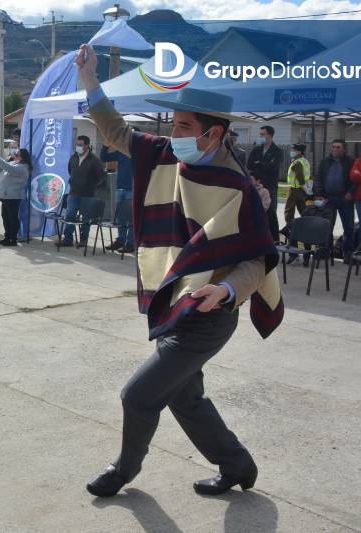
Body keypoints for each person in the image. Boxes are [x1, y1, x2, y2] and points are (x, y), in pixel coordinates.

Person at [75, 43, 283, 498]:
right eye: (173, 124)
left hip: (209, 315)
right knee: (186, 397)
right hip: (177, 305)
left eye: (184, 126)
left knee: (139, 395)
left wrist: (226, 289)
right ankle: (237, 464)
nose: (174, 133)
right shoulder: (167, 155)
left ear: (214, 134)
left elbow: (258, 258)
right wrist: (90, 80)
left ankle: (123, 472)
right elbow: (114, 131)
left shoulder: (239, 188)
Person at [59, 135, 106, 247]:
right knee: (70, 215)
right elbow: (70, 170)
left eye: (80, 145)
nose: (78, 147)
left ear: (87, 146)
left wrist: (93, 187)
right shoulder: (73, 157)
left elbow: (102, 177)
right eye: (77, 144)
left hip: (88, 195)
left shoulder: (94, 160)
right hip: (74, 192)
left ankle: (83, 240)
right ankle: (68, 239)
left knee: (86, 218)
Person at [313, 139, 356, 259]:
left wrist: (351, 193)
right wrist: (319, 194)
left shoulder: (351, 162)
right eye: (333, 147)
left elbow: (356, 180)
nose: (335, 149)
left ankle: (347, 252)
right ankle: (326, 250)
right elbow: (317, 178)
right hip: (328, 198)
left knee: (348, 227)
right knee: (327, 226)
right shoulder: (325, 162)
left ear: (344, 149)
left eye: (338, 147)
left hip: (345, 198)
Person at [247, 125, 283, 241]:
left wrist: (259, 163)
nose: (260, 136)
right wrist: (262, 164)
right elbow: (249, 165)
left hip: (270, 186)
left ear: (270, 135)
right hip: (256, 186)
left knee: (271, 213)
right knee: (254, 212)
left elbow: (272, 167)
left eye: (263, 134)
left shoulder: (277, 151)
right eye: (260, 134)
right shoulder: (256, 150)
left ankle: (275, 240)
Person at [0, 148, 31, 246]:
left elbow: (8, 168)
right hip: (6, 196)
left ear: (23, 157)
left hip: (13, 196)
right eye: (15, 155)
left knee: (12, 218)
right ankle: (7, 237)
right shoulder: (14, 163)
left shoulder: (23, 168)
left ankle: (12, 239)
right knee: (5, 217)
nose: (15, 157)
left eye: (17, 155)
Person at [102, 143, 134, 253]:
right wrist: (105, 146)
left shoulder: (139, 152)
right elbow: (104, 157)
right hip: (120, 188)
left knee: (131, 218)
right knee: (120, 217)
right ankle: (121, 240)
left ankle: (130, 243)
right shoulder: (121, 151)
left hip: (133, 189)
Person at [284, 143, 310, 232]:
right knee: (304, 211)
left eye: (293, 150)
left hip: (294, 189)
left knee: (289, 212)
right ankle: (307, 230)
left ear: (299, 152)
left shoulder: (297, 162)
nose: (292, 151)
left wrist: (305, 189)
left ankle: (290, 232)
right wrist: (307, 190)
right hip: (302, 190)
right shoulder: (305, 161)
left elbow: (300, 177)